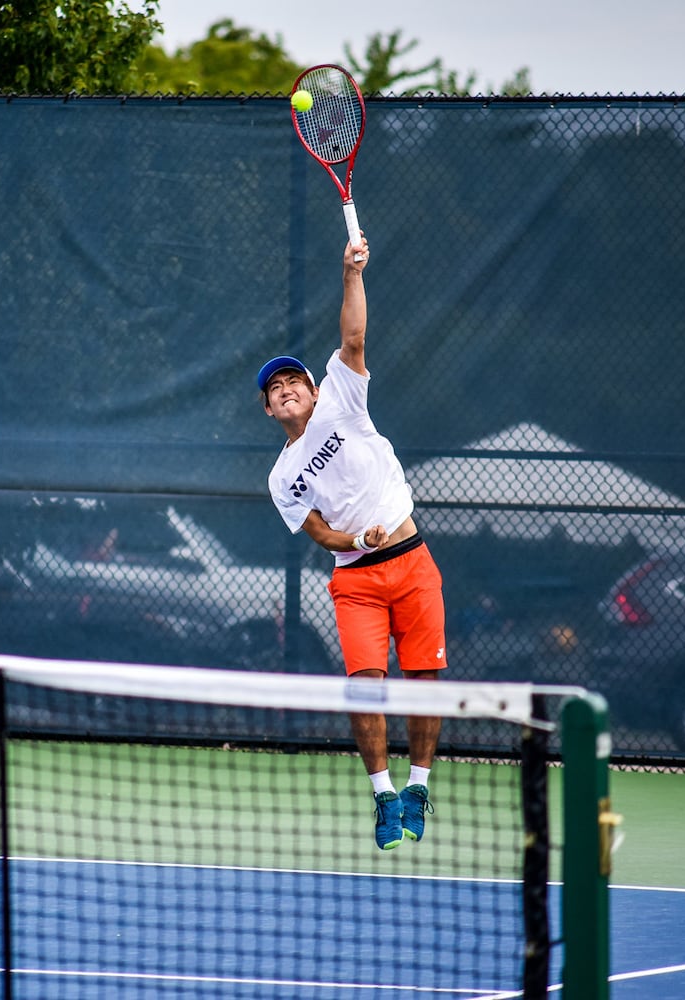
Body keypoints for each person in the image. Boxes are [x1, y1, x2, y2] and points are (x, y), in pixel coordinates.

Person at [258, 234, 445, 850]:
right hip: (357, 581)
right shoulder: (281, 477)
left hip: (413, 562)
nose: (286, 389)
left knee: (423, 682)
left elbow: (355, 336)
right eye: (274, 389)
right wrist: (354, 538)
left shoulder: (344, 394)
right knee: (365, 685)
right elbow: (320, 535)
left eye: (294, 381)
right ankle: (384, 797)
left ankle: (419, 783)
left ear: (315, 390)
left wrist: (350, 274)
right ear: (269, 411)